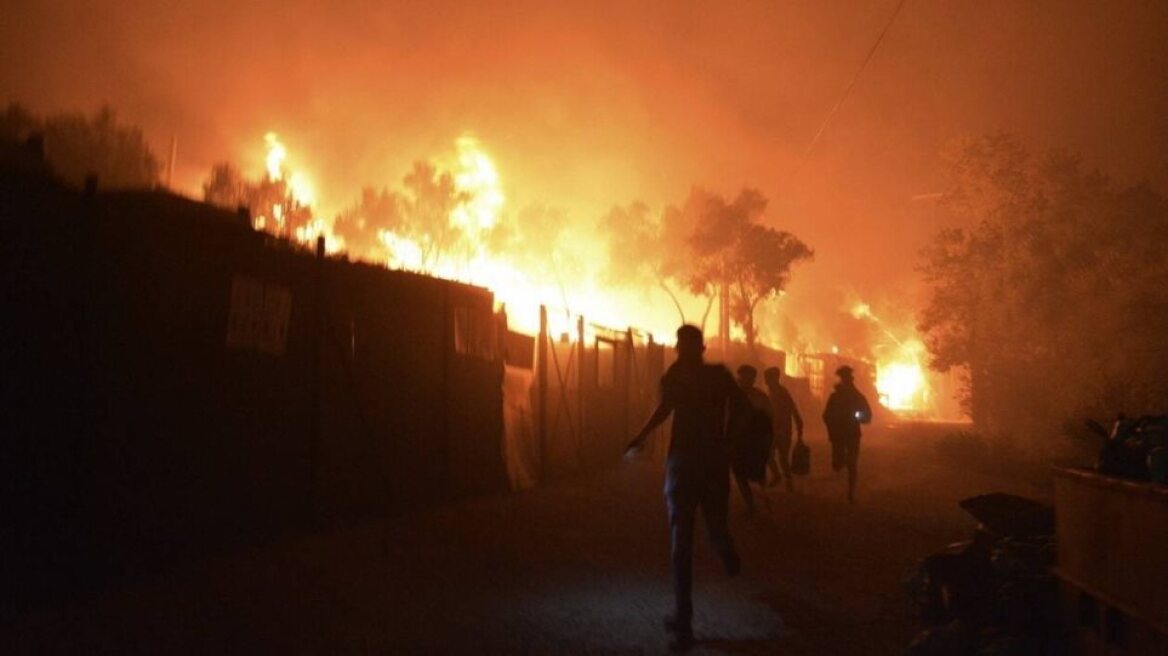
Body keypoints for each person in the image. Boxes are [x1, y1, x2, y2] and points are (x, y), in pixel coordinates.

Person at [626, 325, 748, 651]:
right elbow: (741, 408)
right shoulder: (718, 376)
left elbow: (664, 410)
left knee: (681, 540)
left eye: (681, 345)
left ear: (683, 347)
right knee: (714, 526)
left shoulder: (676, 375)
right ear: (702, 347)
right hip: (712, 464)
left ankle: (684, 616)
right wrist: (729, 441)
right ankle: (724, 552)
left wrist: (641, 436)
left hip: (684, 464)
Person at [822, 365, 872, 503]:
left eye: (847, 378)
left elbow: (867, 417)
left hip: (852, 434)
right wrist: (831, 430)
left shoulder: (857, 397)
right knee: (837, 465)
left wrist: (858, 417)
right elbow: (826, 416)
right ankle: (845, 462)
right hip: (839, 435)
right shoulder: (835, 397)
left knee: (852, 465)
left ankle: (850, 493)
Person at [732, 365, 772, 515]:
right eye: (742, 376)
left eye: (747, 376)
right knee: (740, 473)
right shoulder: (735, 396)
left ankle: (763, 499)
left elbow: (769, 419)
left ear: (753, 379)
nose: (743, 379)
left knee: (757, 474)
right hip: (740, 442)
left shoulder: (759, 397)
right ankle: (751, 505)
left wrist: (768, 442)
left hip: (754, 442)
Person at [763, 366, 804, 492]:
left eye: (768, 379)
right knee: (769, 455)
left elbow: (793, 409)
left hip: (783, 431)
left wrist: (799, 427)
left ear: (775, 378)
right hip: (774, 430)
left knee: (782, 458)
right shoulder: (771, 392)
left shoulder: (782, 392)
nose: (766, 381)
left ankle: (787, 481)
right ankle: (779, 477)